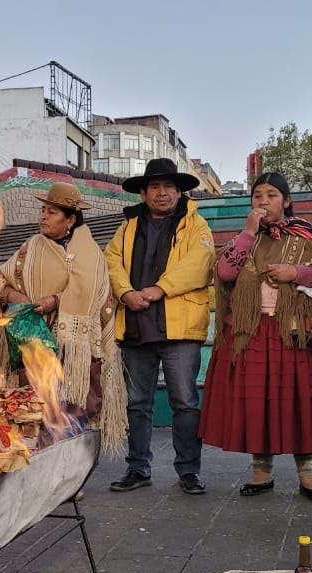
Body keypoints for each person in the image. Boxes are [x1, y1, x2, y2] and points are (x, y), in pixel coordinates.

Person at [200, 172, 312, 502]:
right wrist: (247, 232)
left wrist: (296, 273)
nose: (263, 201)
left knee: (302, 400)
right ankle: (262, 470)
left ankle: (309, 474)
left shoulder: (306, 236)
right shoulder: (246, 240)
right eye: (257, 195)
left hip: (298, 332)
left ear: (286, 201)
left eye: (271, 195)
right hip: (252, 332)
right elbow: (225, 272)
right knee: (260, 402)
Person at [104, 159, 215, 494]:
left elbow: (200, 264)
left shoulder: (196, 225)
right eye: (155, 187)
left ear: (179, 191)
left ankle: (188, 472)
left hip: (179, 327)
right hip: (137, 324)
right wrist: (125, 292)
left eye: (169, 186)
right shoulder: (127, 226)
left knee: (184, 401)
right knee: (137, 401)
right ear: (143, 192)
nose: (163, 193)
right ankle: (138, 468)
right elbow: (111, 260)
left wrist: (157, 289)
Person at [0, 182, 128, 453]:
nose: (43, 216)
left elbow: (94, 292)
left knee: (71, 407)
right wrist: (14, 296)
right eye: (43, 210)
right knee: (33, 406)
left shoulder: (89, 252)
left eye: (52, 212)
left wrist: (55, 301)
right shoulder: (30, 247)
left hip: (73, 349)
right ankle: (35, 468)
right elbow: (1, 283)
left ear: (70, 219)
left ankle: (69, 471)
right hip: (32, 339)